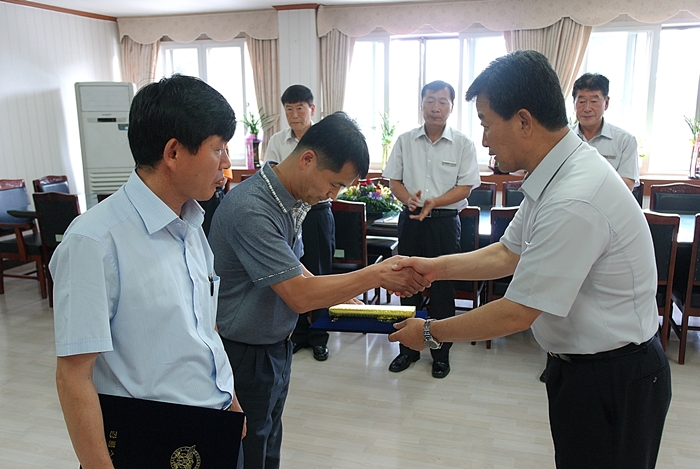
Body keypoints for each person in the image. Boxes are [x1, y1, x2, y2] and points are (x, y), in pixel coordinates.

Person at [389, 50, 671, 469]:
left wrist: (430, 332)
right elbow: (508, 251)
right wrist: (435, 267)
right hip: (578, 368)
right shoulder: (555, 173)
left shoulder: (575, 196)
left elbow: (517, 312)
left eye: (486, 123)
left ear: (523, 121)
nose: (484, 140)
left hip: (614, 375)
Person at [209, 111, 430, 469]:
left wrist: (343, 294)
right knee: (248, 450)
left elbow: (292, 267)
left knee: (268, 442)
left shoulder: (288, 199)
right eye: (334, 184)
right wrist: (375, 275)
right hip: (244, 353)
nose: (333, 194)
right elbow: (299, 295)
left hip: (274, 344)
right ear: (308, 159)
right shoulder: (252, 208)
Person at [52, 75, 244, 469]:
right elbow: (73, 377)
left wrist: (230, 400)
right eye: (219, 149)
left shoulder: (191, 223)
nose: (226, 164)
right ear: (173, 152)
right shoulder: (94, 242)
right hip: (152, 440)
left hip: (214, 425)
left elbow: (204, 328)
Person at [383, 80, 480, 379]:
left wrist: (435, 201)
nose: (435, 107)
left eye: (442, 102)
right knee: (406, 283)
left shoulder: (463, 143)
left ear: (451, 106)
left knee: (442, 287)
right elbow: (394, 181)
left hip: (444, 223)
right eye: (430, 101)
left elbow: (465, 187)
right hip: (412, 220)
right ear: (422, 103)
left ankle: (440, 353)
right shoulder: (405, 140)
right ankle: (407, 350)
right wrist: (408, 199)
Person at [266, 84, 332, 361]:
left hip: (317, 211)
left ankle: (320, 337)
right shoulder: (277, 141)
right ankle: (300, 334)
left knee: (319, 273)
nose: (294, 114)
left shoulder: (326, 139)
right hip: (287, 213)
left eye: (300, 108)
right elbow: (270, 176)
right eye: (289, 109)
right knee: (292, 272)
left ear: (311, 109)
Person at [571, 72, 639, 190]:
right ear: (574, 103)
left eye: (594, 101)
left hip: (608, 201)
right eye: (581, 102)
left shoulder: (625, 140)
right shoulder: (562, 138)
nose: (587, 108)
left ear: (606, 103)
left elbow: (627, 184)